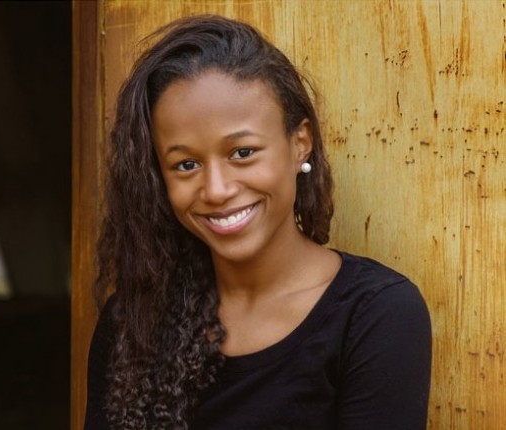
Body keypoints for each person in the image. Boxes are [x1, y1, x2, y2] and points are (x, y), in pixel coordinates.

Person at [84, 15, 431, 430]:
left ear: (299, 143)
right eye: (186, 164)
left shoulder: (375, 315)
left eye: (242, 153)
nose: (216, 189)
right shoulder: (135, 322)